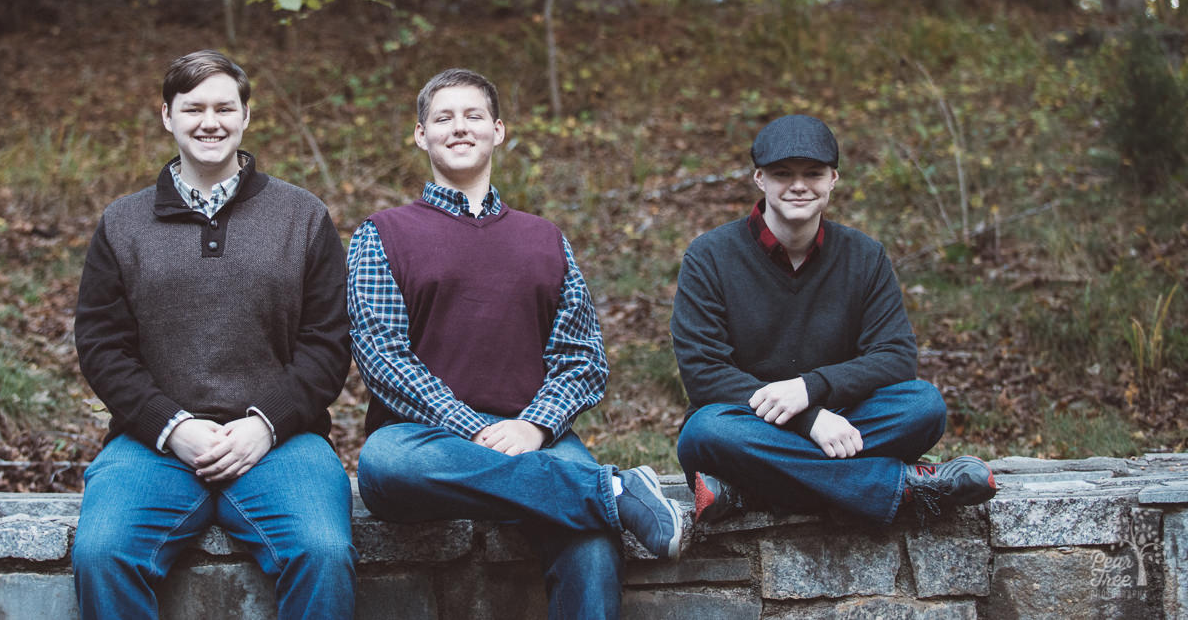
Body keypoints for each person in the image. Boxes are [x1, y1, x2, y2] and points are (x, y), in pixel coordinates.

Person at [348, 68, 686, 619]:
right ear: (420, 135)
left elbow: (583, 359)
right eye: (443, 118)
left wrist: (532, 426)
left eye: (474, 116)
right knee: (382, 464)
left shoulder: (544, 239)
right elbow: (383, 356)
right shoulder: (383, 233)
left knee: (592, 544)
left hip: (537, 436)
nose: (459, 128)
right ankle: (615, 493)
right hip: (422, 443)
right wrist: (473, 429)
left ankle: (595, 499)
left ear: (498, 131)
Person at [71, 49, 356, 620]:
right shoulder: (123, 223)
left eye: (225, 107)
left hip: (283, 443)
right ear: (166, 116)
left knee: (323, 552)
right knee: (101, 553)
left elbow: (328, 344)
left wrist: (265, 424)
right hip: (154, 447)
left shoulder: (301, 216)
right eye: (193, 107)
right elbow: (102, 346)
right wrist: (172, 427)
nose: (210, 121)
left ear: (246, 117)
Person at [671, 114, 997, 527]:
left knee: (924, 406)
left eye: (813, 173)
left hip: (840, 419)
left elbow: (896, 357)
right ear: (759, 178)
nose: (798, 185)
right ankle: (902, 485)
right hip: (747, 424)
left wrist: (812, 390)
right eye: (782, 173)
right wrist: (808, 422)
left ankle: (748, 489)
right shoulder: (709, 257)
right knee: (705, 432)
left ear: (833, 179)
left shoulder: (864, 256)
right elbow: (705, 375)